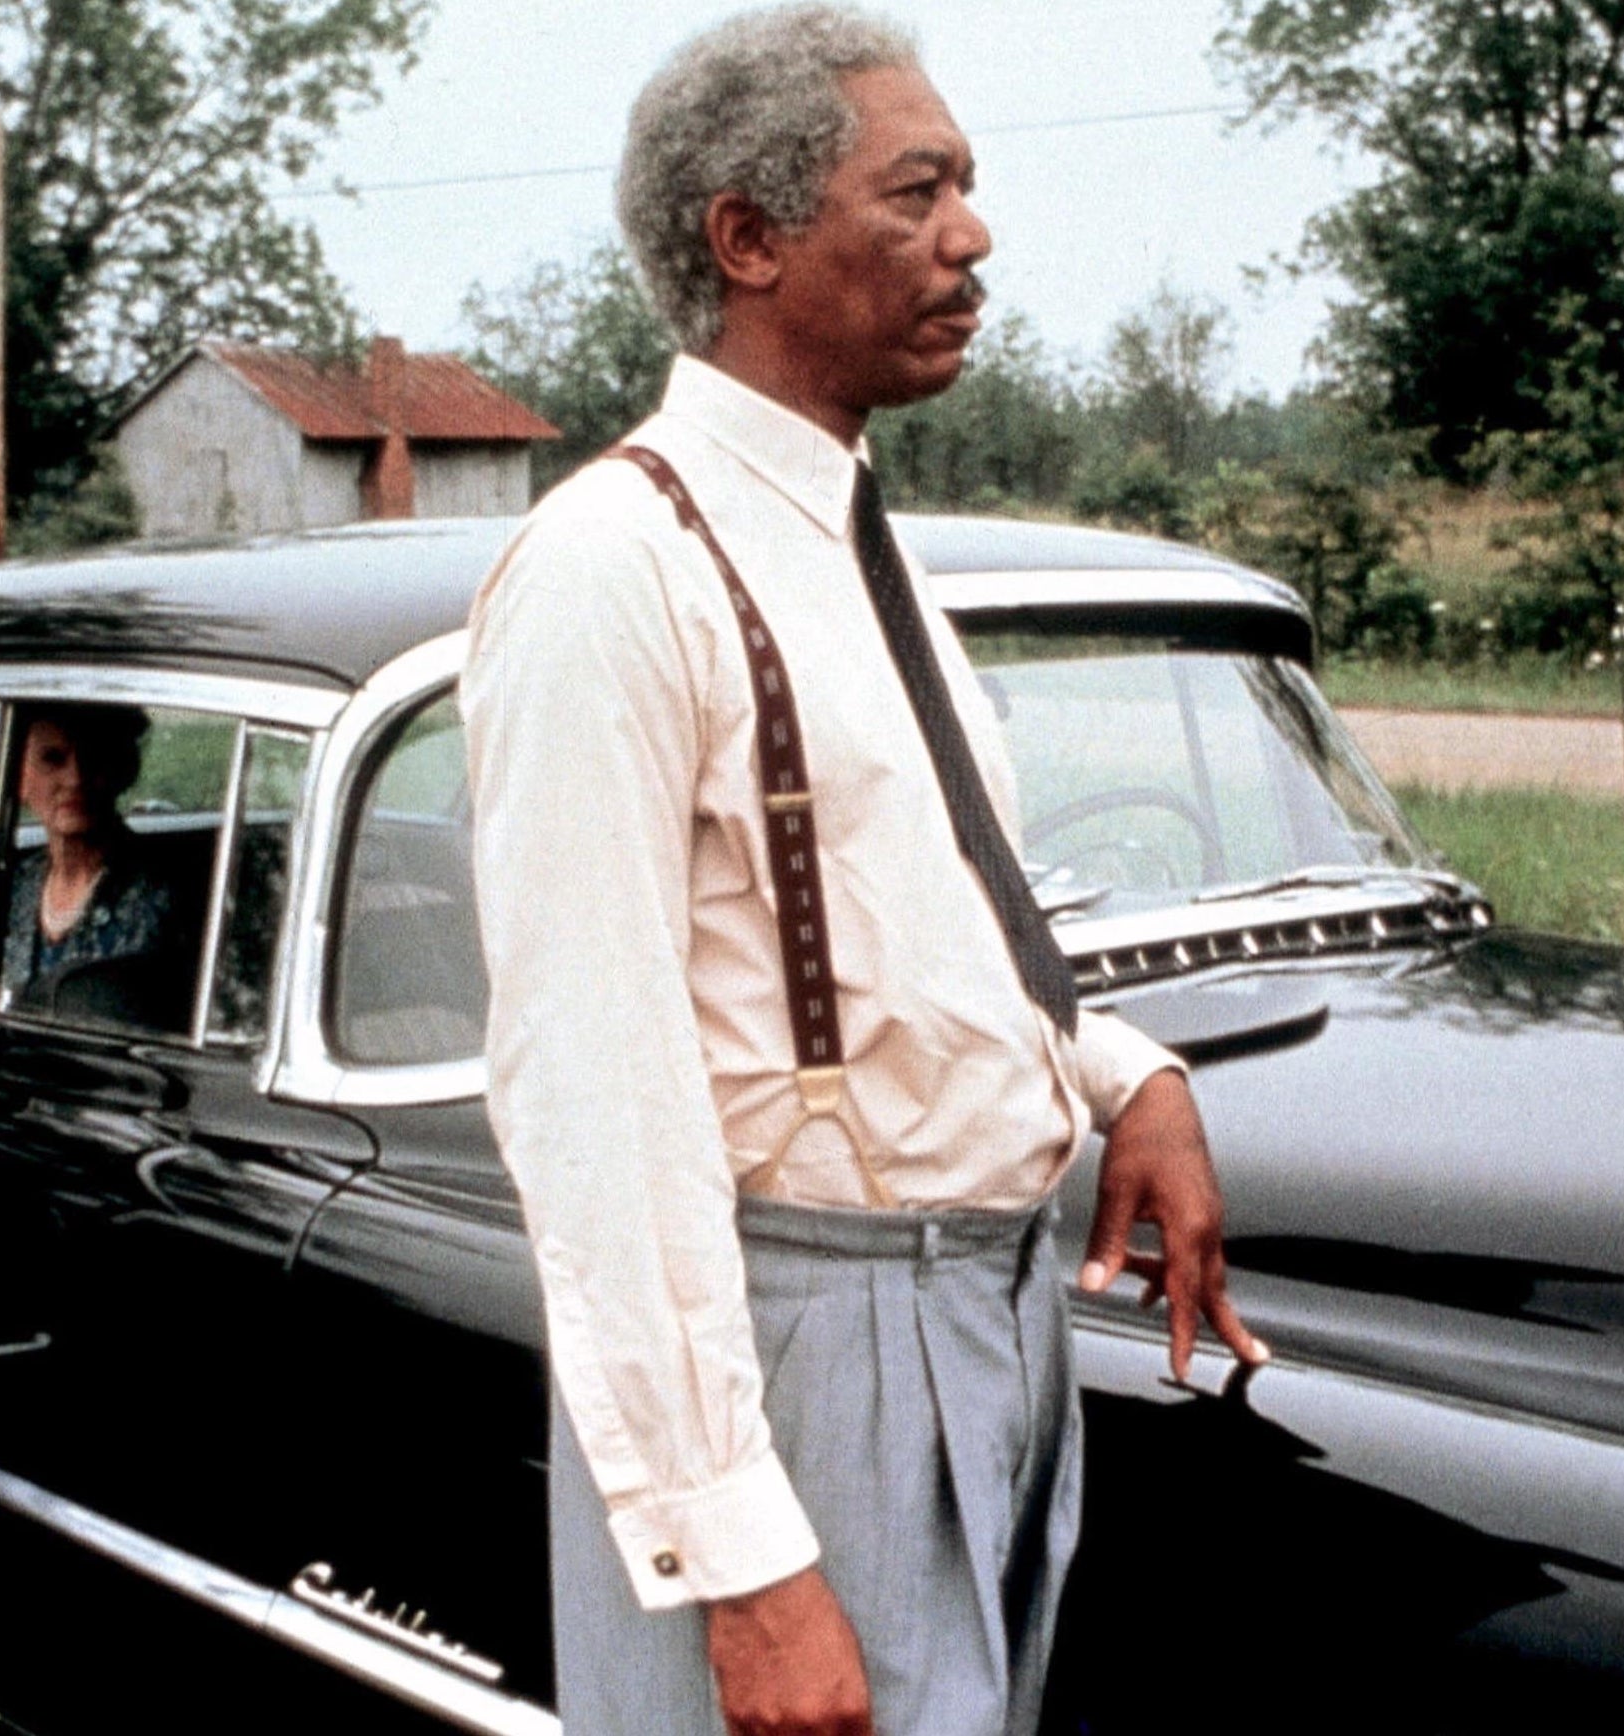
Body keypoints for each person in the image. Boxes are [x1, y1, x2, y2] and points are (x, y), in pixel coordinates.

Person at [461, 8, 1269, 1734]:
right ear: (747, 239)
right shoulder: (615, 566)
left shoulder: (844, 527)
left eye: (967, 185)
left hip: (981, 1321)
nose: (972, 234)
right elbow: (592, 1102)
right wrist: (739, 1552)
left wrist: (1129, 1077)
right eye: (917, 192)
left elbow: (945, 907)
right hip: (804, 1357)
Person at [0, 703, 179, 1011]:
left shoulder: (160, 892)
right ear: (19, 778)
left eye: (95, 756)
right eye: (52, 759)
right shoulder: (16, 884)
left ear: (123, 770)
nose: (75, 778)